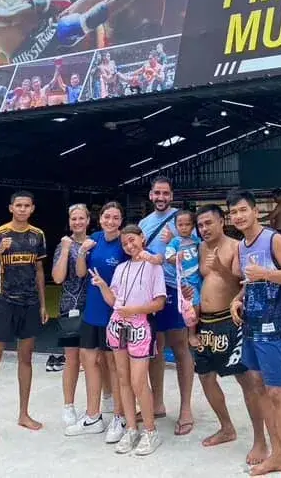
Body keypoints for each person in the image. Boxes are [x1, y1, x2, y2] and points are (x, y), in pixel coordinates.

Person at [228, 189, 281, 478]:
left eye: (243, 210)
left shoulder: (274, 239)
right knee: (257, 385)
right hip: (251, 324)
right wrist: (238, 298)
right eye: (233, 212)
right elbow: (249, 281)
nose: (238, 216)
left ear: (255, 211)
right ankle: (276, 455)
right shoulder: (242, 246)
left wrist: (266, 275)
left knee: (277, 392)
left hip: (274, 324)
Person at [191, 204, 268, 468]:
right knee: (205, 376)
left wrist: (221, 268)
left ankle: (260, 440)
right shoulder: (200, 248)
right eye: (200, 225)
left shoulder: (236, 246)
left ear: (222, 221)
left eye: (208, 223)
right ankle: (226, 427)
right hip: (205, 322)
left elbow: (242, 284)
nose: (204, 229)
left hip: (230, 319)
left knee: (246, 379)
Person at [89, 224, 166, 456]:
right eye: (125, 243)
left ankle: (150, 431)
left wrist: (135, 309)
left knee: (138, 381)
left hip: (141, 326)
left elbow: (159, 303)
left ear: (142, 238)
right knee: (122, 379)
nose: (130, 245)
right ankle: (131, 428)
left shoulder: (154, 266)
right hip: (117, 325)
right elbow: (114, 301)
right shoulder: (121, 268)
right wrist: (103, 286)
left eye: (133, 240)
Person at [0, 191, 48, 442]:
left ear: (32, 208)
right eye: (18, 205)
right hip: (3, 304)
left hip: (29, 304)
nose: (22, 209)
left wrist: (42, 304)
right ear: (11, 208)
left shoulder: (37, 235)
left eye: (26, 206)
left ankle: (24, 414)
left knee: (26, 360)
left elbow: (39, 271)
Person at [138, 177, 194, 436]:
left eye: (165, 193)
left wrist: (174, 240)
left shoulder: (182, 220)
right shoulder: (143, 224)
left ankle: (185, 409)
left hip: (174, 289)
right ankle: (157, 403)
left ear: (171, 195)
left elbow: (195, 249)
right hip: (150, 291)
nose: (161, 197)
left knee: (180, 346)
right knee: (155, 348)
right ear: (151, 195)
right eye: (157, 193)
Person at [71, 202, 127, 443]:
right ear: (100, 219)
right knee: (89, 360)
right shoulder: (93, 239)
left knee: (114, 365)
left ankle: (119, 416)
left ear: (121, 221)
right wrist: (82, 251)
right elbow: (81, 273)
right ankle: (93, 416)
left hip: (114, 313)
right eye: (107, 216)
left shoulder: (125, 243)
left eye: (116, 217)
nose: (111, 221)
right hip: (92, 313)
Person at [51, 204, 90, 426]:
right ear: (70, 221)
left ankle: (104, 399)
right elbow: (57, 278)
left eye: (81, 218)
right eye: (73, 219)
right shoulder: (62, 245)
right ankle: (69, 405)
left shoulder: (94, 242)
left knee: (96, 358)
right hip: (70, 307)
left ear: (88, 220)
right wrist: (66, 250)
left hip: (94, 305)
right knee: (72, 358)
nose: (77, 222)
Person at [163, 210, 202, 347]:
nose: (184, 227)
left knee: (201, 304)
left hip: (198, 276)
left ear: (192, 226)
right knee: (193, 306)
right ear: (176, 225)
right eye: (180, 224)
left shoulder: (196, 240)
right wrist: (176, 258)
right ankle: (191, 334)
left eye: (187, 224)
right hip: (186, 280)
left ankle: (198, 330)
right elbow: (168, 258)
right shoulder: (174, 242)